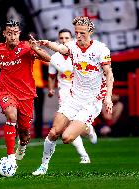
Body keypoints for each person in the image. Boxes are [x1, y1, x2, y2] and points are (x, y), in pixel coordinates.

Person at [32, 16, 114, 176]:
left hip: (92, 102)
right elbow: (61, 49)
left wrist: (108, 97)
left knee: (67, 137)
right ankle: (43, 166)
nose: (79, 36)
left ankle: (87, 128)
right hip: (74, 98)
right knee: (54, 132)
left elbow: (109, 74)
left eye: (82, 33)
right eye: (76, 33)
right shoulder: (72, 46)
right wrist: (45, 43)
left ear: (90, 31)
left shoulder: (101, 49)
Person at [0, 20, 51, 168]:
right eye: (10, 33)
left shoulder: (26, 47)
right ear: (4, 34)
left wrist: (36, 49)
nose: (13, 36)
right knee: (11, 115)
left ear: (19, 33)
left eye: (15, 33)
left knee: (25, 133)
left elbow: (48, 59)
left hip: (26, 94)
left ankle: (22, 146)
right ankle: (10, 157)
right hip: (5, 90)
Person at [47, 28, 94, 164]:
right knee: (67, 126)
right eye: (61, 38)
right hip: (65, 95)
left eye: (67, 38)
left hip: (81, 94)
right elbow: (51, 76)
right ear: (58, 40)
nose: (64, 41)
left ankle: (88, 128)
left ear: (72, 39)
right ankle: (84, 156)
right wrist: (51, 89)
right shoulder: (54, 58)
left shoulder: (80, 54)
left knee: (77, 125)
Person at [32, 58, 49, 138]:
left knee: (22, 112)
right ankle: (38, 134)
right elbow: (49, 62)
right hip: (37, 86)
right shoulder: (38, 55)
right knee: (39, 111)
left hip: (27, 86)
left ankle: (19, 134)